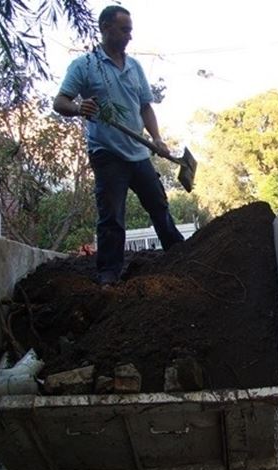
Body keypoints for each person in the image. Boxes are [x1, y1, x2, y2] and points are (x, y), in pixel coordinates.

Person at [53, 5, 184, 286]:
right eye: (124, 30)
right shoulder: (85, 66)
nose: (129, 36)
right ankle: (109, 274)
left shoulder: (135, 67)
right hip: (107, 152)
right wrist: (79, 108)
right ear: (105, 28)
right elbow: (60, 102)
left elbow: (146, 107)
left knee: (158, 204)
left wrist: (157, 138)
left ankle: (180, 255)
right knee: (111, 215)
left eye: (130, 30)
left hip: (137, 153)